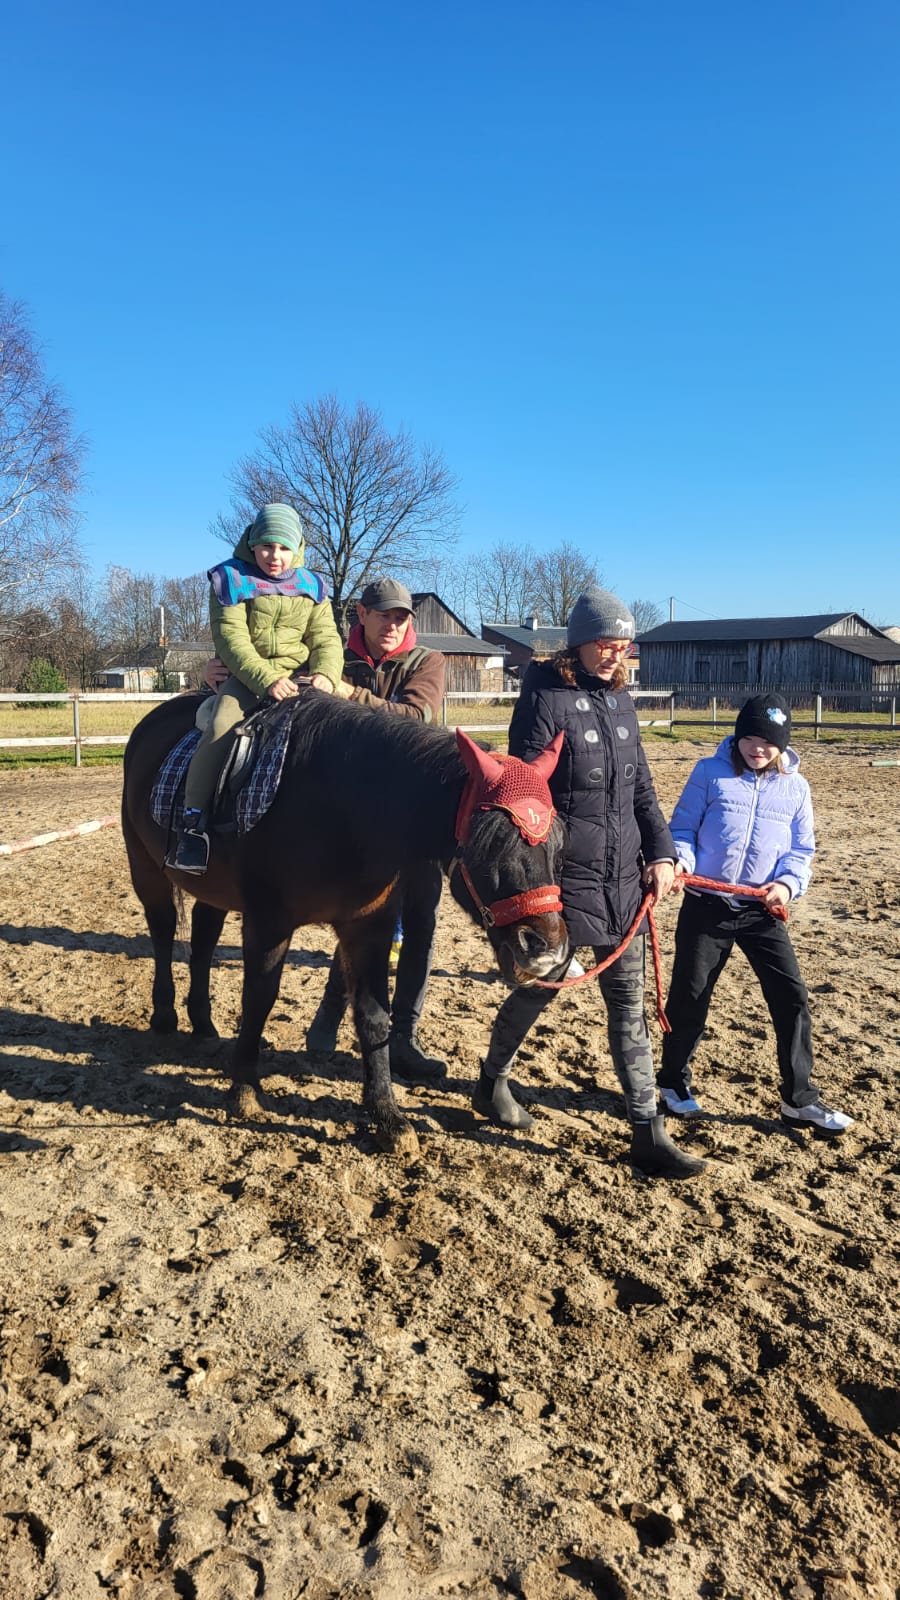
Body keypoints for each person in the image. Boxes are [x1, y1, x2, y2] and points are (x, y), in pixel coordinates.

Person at [473, 585, 705, 1180]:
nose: (616, 656)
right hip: (567, 882)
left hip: (625, 879)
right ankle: (492, 1079)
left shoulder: (623, 705)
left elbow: (643, 793)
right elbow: (524, 794)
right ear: (579, 643)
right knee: (539, 987)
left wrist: (662, 853)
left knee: (628, 1006)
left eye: (624, 647)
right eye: (606, 644)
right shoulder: (544, 698)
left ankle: (647, 1132)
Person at [657, 692, 854, 1135]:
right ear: (737, 736)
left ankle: (799, 1098)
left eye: (767, 742)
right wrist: (681, 862)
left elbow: (802, 849)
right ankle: (672, 1083)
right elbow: (682, 827)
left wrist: (786, 885)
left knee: (791, 997)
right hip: (707, 904)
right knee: (691, 994)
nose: (756, 749)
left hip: (762, 911)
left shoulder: (796, 787)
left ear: (782, 746)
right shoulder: (709, 773)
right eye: (749, 738)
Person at [305, 576, 448, 1084]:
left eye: (402, 616)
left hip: (414, 814)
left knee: (419, 924)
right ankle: (327, 1017)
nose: (394, 624)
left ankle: (403, 1036)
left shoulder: (426, 663)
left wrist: (346, 694)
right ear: (360, 616)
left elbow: (414, 716)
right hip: (350, 816)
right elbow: (280, 683)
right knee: (356, 921)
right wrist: (217, 677)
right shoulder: (328, 656)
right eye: (384, 614)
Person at [168, 503, 344, 874]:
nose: (274, 557)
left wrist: (327, 674)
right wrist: (266, 679)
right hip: (248, 677)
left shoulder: (313, 586)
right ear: (252, 541)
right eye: (266, 546)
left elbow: (326, 638)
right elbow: (232, 639)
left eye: (283, 548)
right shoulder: (231, 579)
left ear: (297, 547)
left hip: (302, 679)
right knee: (220, 728)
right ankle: (193, 824)